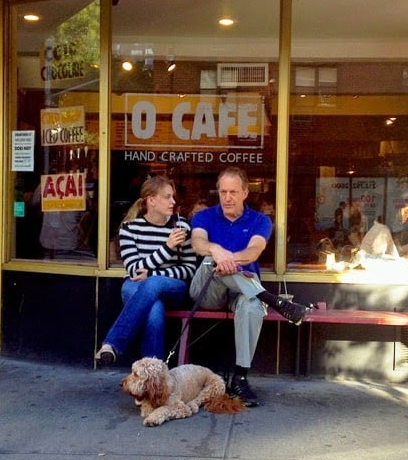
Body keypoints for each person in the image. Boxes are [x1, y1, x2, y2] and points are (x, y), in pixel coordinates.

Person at [189, 167, 310, 407]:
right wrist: (216, 251)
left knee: (253, 307)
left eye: (233, 192)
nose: (227, 198)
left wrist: (231, 261)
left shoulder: (260, 220)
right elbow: (198, 242)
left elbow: (255, 250)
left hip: (242, 290)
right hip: (208, 289)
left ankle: (241, 377)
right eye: (223, 192)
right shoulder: (205, 216)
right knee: (210, 260)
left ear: (245, 192)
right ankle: (274, 300)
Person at [95, 175, 197, 366]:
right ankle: (154, 377)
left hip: (173, 288)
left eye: (173, 196)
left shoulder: (181, 226)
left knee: (153, 282)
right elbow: (134, 270)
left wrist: (152, 273)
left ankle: (113, 344)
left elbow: (190, 269)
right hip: (136, 286)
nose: (173, 202)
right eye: (167, 197)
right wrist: (167, 248)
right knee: (154, 310)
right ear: (151, 200)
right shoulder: (129, 228)